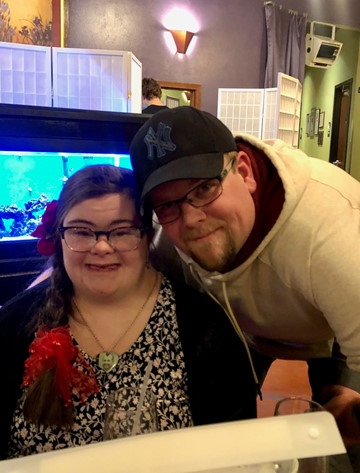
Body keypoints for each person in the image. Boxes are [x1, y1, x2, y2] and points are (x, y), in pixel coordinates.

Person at [0, 164, 257, 473]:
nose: (103, 247)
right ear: (59, 236)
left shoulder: (204, 327)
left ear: (147, 236)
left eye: (122, 231)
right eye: (81, 231)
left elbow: (234, 452)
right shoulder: (10, 329)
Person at [128, 106, 360, 449]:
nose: (191, 219)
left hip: (329, 320)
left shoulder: (330, 236)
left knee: (342, 432)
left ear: (245, 172)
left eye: (205, 188)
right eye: (167, 206)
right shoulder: (164, 239)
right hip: (243, 326)